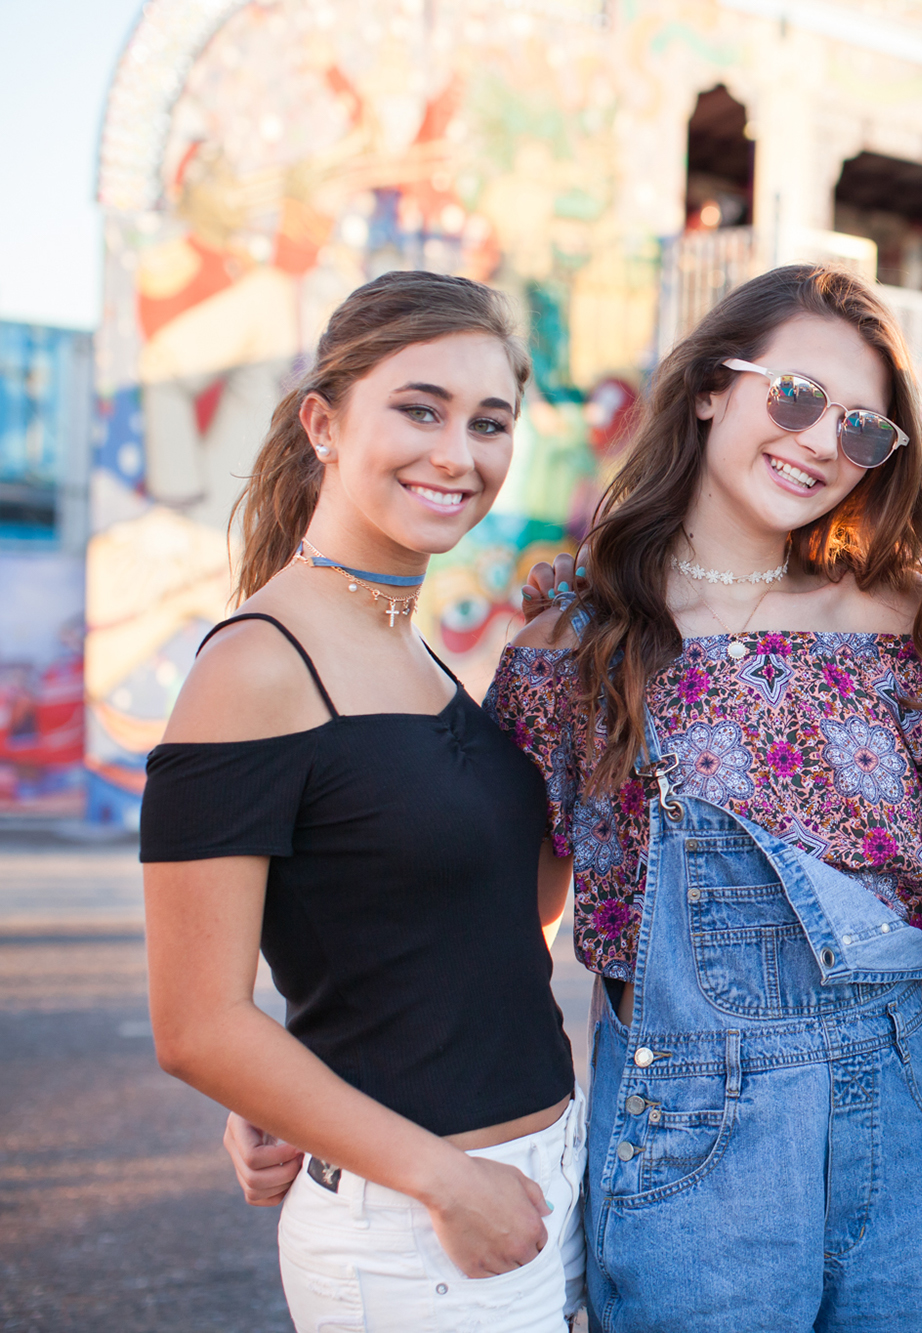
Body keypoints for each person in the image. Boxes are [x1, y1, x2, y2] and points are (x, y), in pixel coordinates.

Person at [486, 264, 922, 1330]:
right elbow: (502, 923)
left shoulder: (903, 627)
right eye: (794, 398)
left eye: (861, 431)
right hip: (688, 1131)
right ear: (710, 384)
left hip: (897, 1115)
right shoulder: (575, 640)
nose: (817, 444)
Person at [142, 271, 585, 1331]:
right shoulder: (255, 665)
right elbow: (196, 1022)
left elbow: (496, 917)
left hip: (537, 1188)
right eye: (419, 408)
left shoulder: (424, 656)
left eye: (489, 423)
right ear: (324, 423)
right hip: (416, 1229)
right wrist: (444, 1180)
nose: (458, 454)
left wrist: (565, 715)